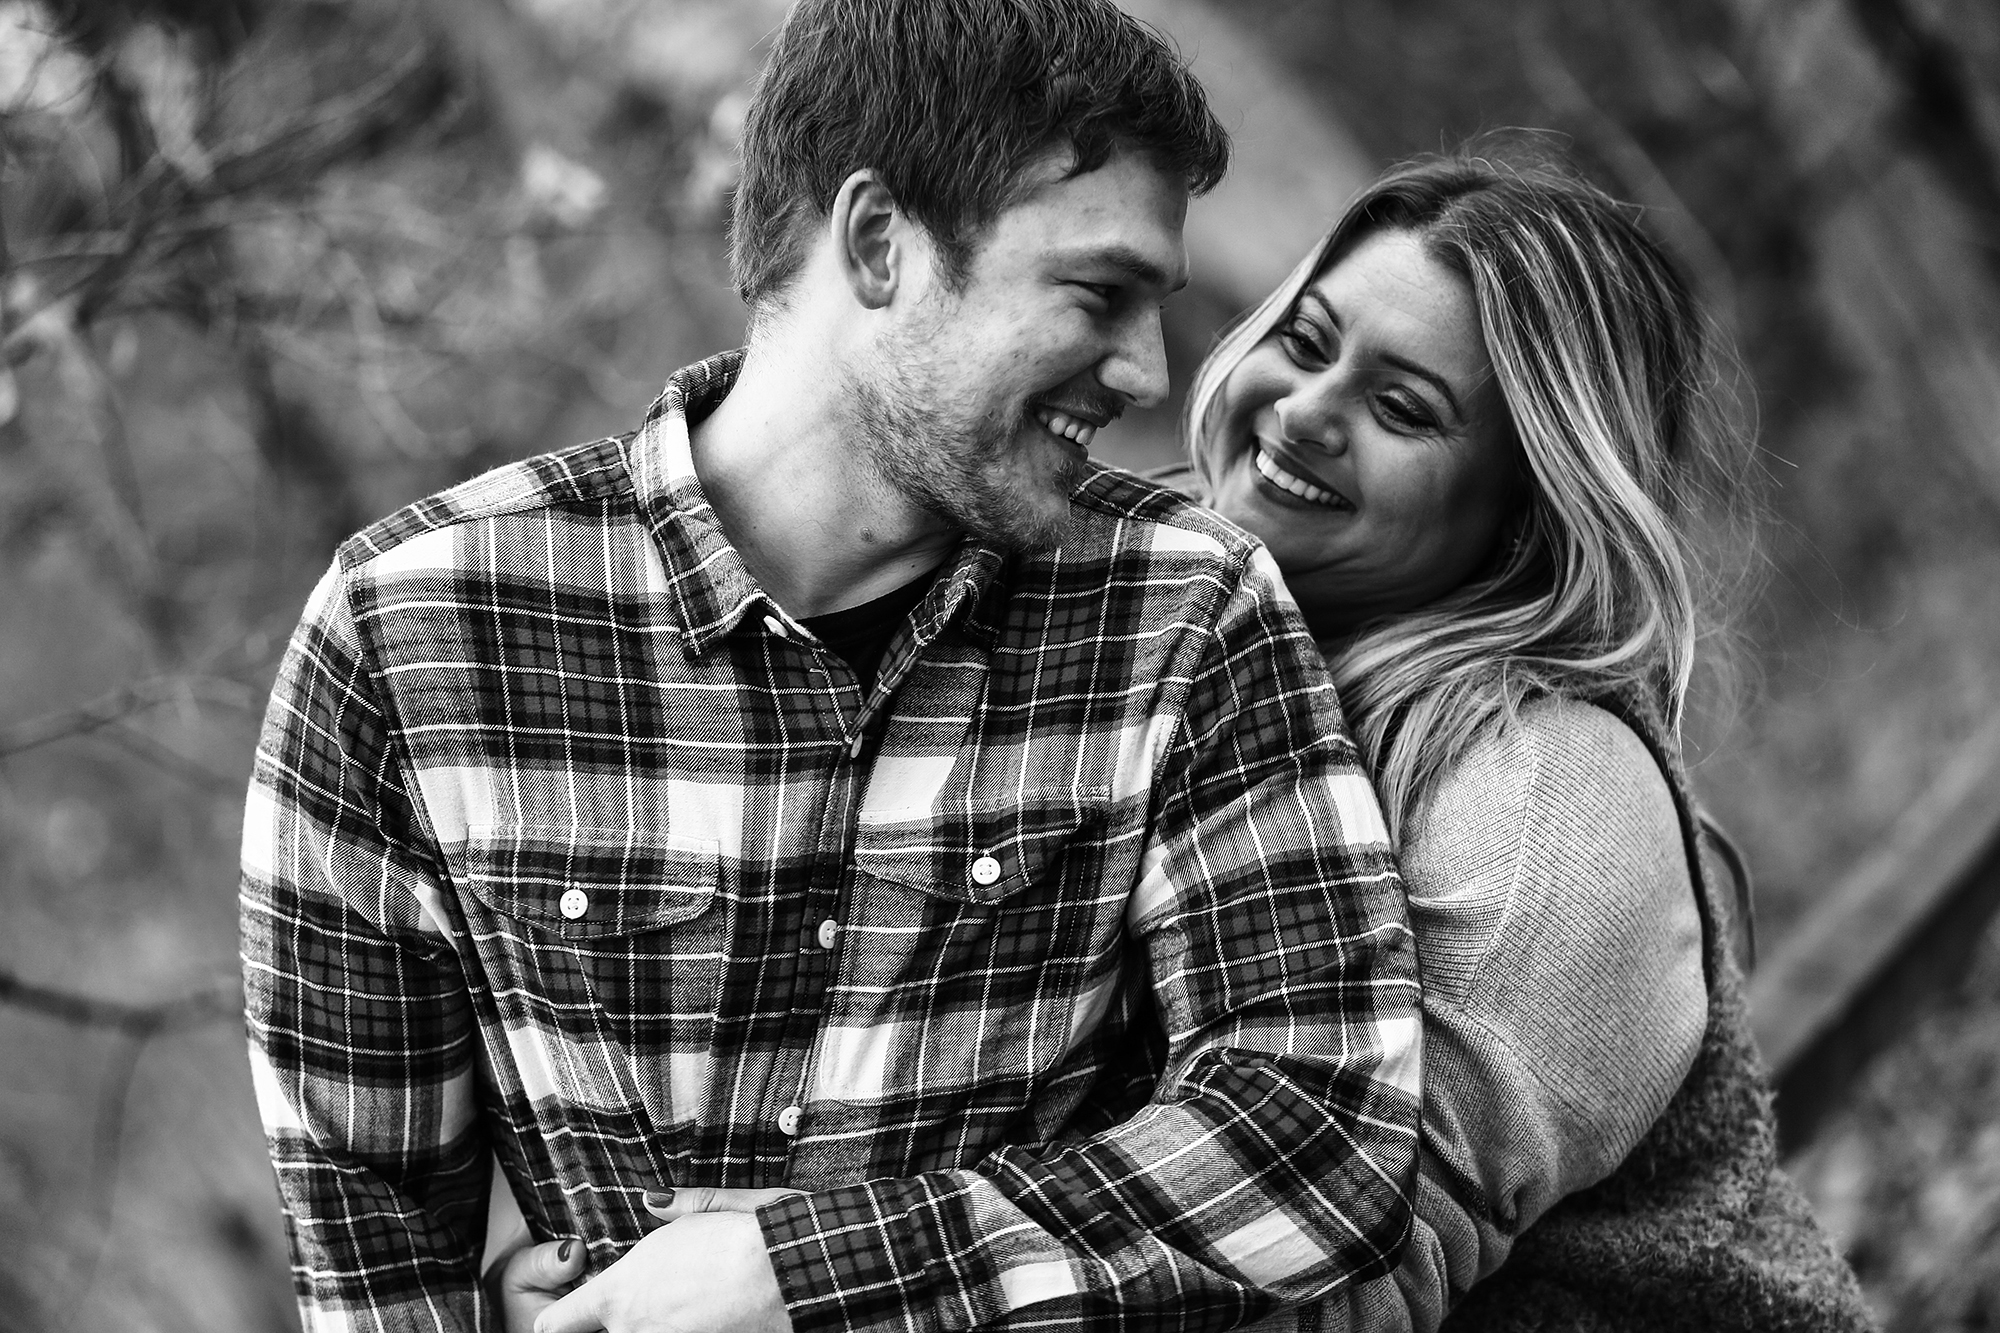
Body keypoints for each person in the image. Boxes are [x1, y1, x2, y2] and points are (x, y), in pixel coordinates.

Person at [238, 3, 1426, 1332]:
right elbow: (375, 1262)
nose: (1148, 372)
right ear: (878, 244)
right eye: (1098, 294)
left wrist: (801, 1276)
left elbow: (1320, 1132)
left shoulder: (1182, 612)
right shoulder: (410, 635)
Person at [1168, 152, 1871, 1330]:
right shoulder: (1188, 632)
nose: (1300, 409)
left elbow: (1341, 1280)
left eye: (1399, 408)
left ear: (1523, 506)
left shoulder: (1544, 802)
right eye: (1303, 339)